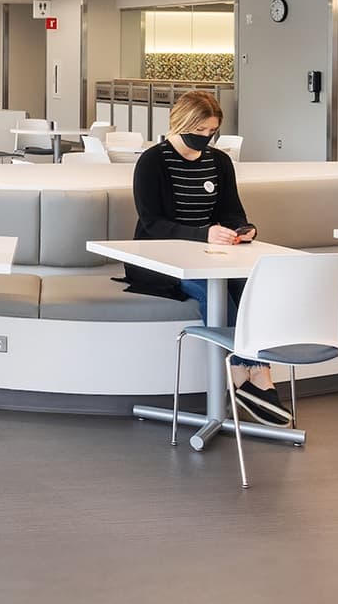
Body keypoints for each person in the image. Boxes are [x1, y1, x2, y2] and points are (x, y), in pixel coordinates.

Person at [122, 90, 285, 417]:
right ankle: (249, 376)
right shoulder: (153, 162)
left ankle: (250, 375)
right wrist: (202, 234)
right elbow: (152, 223)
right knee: (214, 292)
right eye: (199, 132)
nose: (206, 139)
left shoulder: (219, 162)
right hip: (159, 258)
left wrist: (243, 229)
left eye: (211, 132)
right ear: (180, 124)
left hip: (213, 254)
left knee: (250, 288)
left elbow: (232, 211)